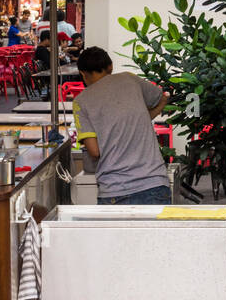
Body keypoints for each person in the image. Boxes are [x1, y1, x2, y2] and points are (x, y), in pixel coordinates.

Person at [72, 47, 171, 206]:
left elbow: (94, 151)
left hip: (114, 190)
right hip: (154, 183)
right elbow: (161, 97)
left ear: (83, 73)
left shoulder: (80, 102)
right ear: (110, 66)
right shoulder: (130, 79)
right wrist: (152, 113)